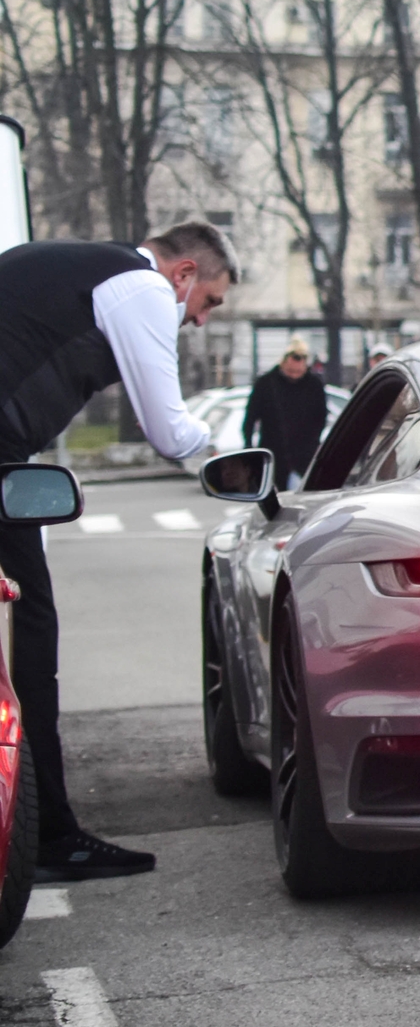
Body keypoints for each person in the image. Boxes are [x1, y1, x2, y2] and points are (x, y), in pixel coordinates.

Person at [0, 223, 229, 878]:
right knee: (32, 628)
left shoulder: (67, 265)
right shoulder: (141, 287)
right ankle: (49, 835)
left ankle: (44, 828)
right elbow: (169, 431)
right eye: (208, 302)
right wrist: (219, 442)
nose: (200, 321)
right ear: (183, 272)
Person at [243, 337, 328, 489]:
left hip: (304, 455)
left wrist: (313, 443)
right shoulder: (266, 383)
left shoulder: (314, 385)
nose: (294, 375)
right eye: (291, 371)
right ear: (283, 362)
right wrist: (249, 447)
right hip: (273, 453)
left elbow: (321, 417)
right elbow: (250, 417)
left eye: (298, 371)